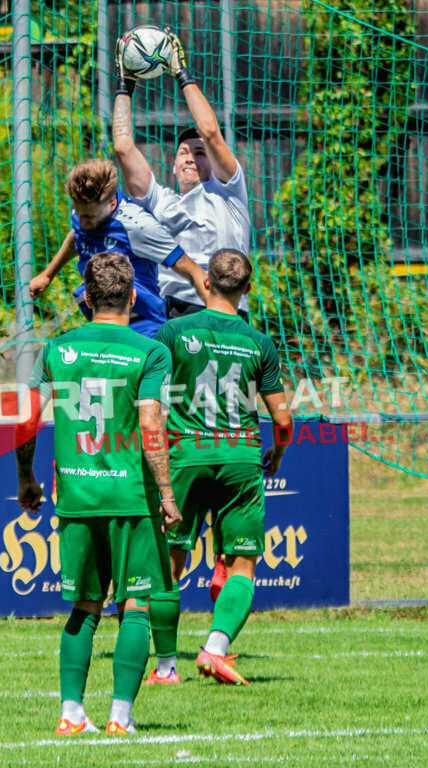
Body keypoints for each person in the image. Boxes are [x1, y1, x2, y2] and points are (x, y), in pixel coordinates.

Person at [15, 251, 182, 735]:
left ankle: (70, 715)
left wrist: (25, 477)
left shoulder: (57, 349)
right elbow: (151, 422)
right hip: (131, 497)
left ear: (85, 299)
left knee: (84, 606)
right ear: (133, 297)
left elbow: (26, 417)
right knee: (137, 605)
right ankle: (119, 719)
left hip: (77, 495)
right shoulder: (151, 352)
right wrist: (167, 493)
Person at [147, 249, 293, 686]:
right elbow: (283, 420)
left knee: (169, 563)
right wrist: (278, 454)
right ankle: (215, 649)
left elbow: (147, 399)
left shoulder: (173, 331)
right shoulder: (258, 342)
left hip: (185, 458)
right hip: (240, 459)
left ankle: (166, 667)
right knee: (243, 563)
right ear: (248, 289)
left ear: (205, 283)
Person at [112, 28, 253, 320]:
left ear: (212, 162)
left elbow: (211, 132)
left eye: (199, 153)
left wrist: (180, 72)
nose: (190, 157)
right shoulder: (161, 201)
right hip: (175, 312)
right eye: (183, 153)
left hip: (226, 311)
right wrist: (125, 84)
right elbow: (123, 147)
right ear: (173, 165)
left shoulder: (228, 193)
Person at [29, 158, 209, 338]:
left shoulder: (138, 226)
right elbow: (77, 235)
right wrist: (48, 275)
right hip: (99, 322)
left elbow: (192, 270)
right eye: (79, 214)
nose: (82, 222)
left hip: (141, 327)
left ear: (112, 204)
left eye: (89, 217)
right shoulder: (84, 207)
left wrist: (223, 317)